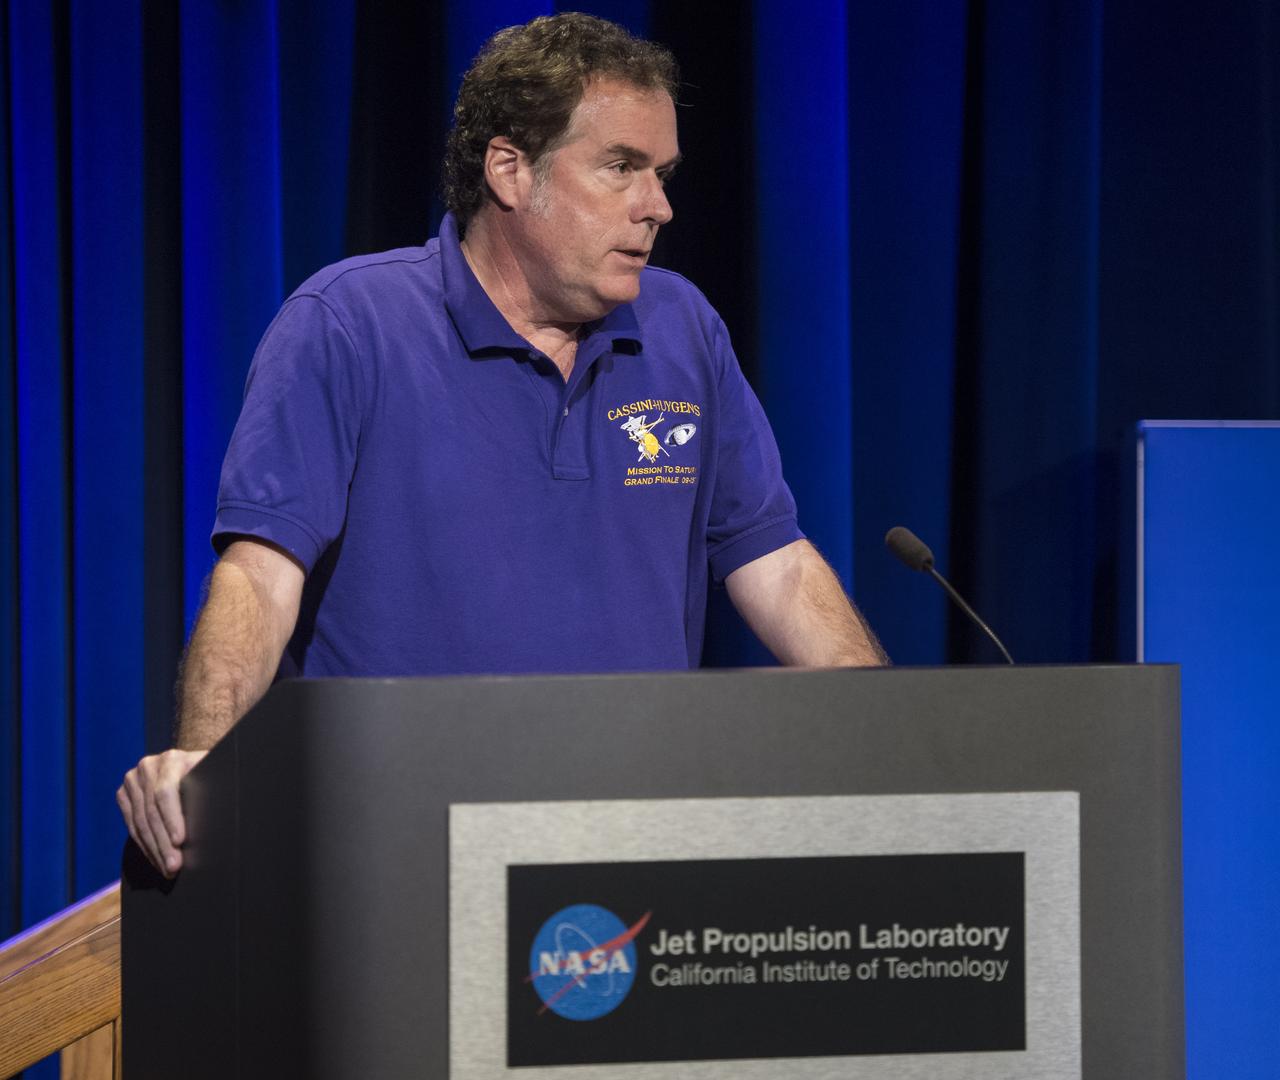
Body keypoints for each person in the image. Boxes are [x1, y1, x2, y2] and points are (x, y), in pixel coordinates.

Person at [117, 13, 887, 879]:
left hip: (634, 851)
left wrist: (881, 734)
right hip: (400, 857)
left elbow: (775, 562)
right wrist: (204, 765)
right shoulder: (350, 324)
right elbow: (260, 574)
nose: (659, 206)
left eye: (662, 174)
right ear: (510, 170)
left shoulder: (682, 328)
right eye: (622, 167)